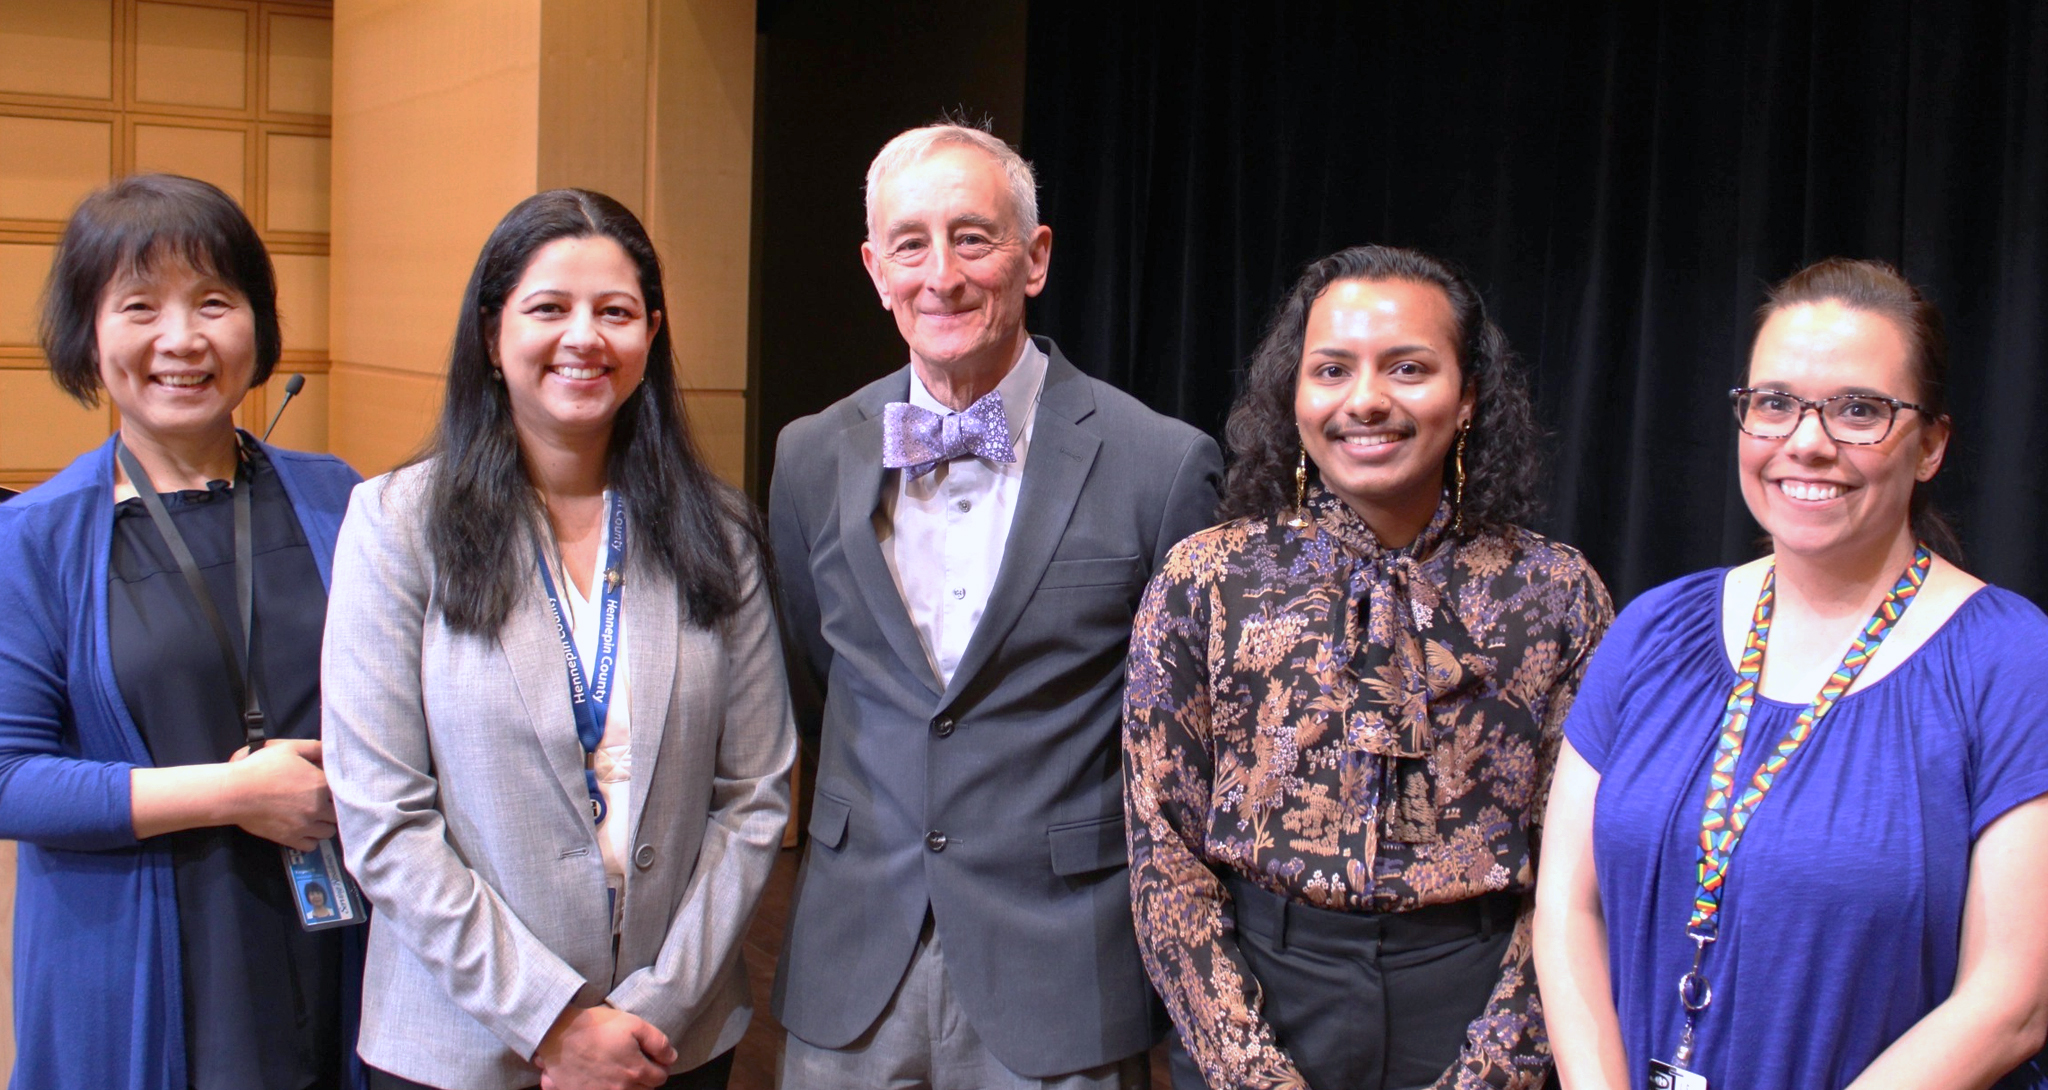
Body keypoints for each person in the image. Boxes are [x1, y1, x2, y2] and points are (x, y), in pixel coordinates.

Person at [768, 121, 1224, 1088]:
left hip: (1061, 974)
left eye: (973, 237)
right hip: (853, 968)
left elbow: (1191, 748)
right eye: (910, 243)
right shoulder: (811, 454)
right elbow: (820, 669)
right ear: (874, 268)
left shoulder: (1160, 464)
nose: (942, 275)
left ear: (1035, 257)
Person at [1534, 258, 2048, 1090]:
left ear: (1931, 446)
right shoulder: (1652, 631)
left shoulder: (2010, 659)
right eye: (1774, 403)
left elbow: (2012, 999)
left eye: (1858, 411)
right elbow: (1567, 908)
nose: (1807, 442)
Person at [322, 189, 795, 1090]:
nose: (585, 337)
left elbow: (755, 792)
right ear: (492, 334)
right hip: (463, 1045)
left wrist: (652, 1010)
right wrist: (553, 1022)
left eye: (614, 312)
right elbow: (383, 816)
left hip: (673, 1043)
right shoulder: (395, 526)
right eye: (549, 308)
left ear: (649, 338)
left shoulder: (718, 530)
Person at [1123, 245, 1613, 1090]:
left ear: (1466, 399)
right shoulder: (1206, 578)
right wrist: (1248, 1071)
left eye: (1409, 368)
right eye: (1333, 369)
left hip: (1476, 993)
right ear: (1295, 394)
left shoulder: (1556, 594)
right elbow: (1162, 846)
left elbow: (1578, 874)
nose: (1367, 401)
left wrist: (1494, 1069)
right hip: (1263, 990)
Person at [0, 173, 363, 1090]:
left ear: (257, 323)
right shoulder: (34, 537)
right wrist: (232, 795)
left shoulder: (342, 498)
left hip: (344, 930)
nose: (182, 339)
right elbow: (8, 781)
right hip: (135, 948)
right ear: (89, 333)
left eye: (213, 301)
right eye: (139, 306)